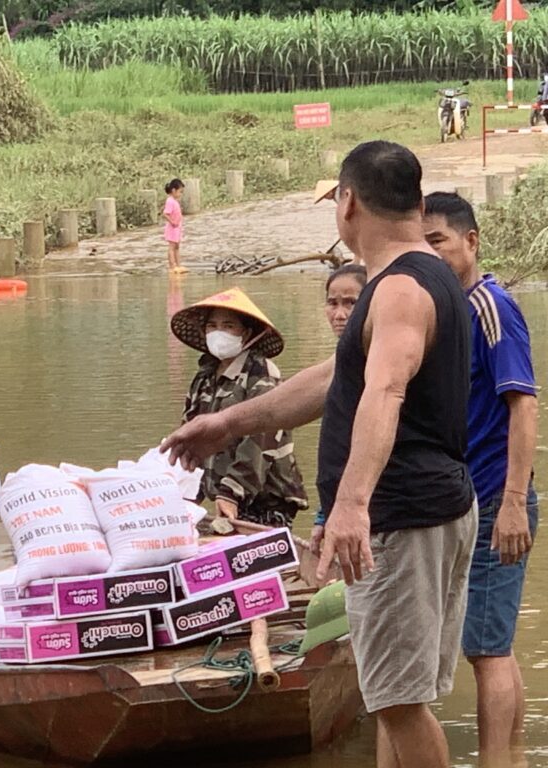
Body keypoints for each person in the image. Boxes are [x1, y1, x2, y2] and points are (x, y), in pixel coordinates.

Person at [162, 141, 476, 768]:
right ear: (416, 203)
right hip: (424, 508)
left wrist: (352, 505)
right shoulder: (417, 277)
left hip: (402, 517)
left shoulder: (400, 290)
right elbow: (335, 380)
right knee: (396, 699)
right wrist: (226, 424)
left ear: (348, 202)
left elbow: (385, 392)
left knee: (401, 706)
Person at [423, 191, 538, 763]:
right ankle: (512, 754)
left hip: (494, 498)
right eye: (422, 245)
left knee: (485, 648)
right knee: (494, 645)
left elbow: (523, 405)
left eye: (439, 241)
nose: (431, 254)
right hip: (470, 500)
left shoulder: (489, 306)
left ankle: (495, 760)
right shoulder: (447, 311)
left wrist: (514, 499)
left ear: (470, 241)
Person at [170, 287, 308, 527]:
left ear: (246, 333)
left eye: (228, 326)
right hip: (224, 498)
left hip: (265, 502)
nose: (218, 332)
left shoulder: (261, 373)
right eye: (212, 326)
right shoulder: (204, 378)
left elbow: (262, 436)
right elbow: (191, 437)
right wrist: (186, 489)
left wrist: (232, 491)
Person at [310, 265, 367, 554]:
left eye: (350, 303)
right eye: (332, 303)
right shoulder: (344, 363)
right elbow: (339, 446)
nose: (339, 315)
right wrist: (324, 514)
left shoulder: (378, 365)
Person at [163, 178, 186, 274]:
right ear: (173, 190)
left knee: (177, 246)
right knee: (172, 247)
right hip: (172, 228)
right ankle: (172, 266)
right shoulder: (170, 201)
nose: (181, 194)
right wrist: (172, 222)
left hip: (177, 228)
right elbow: (165, 214)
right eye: (180, 192)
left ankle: (178, 265)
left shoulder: (174, 201)